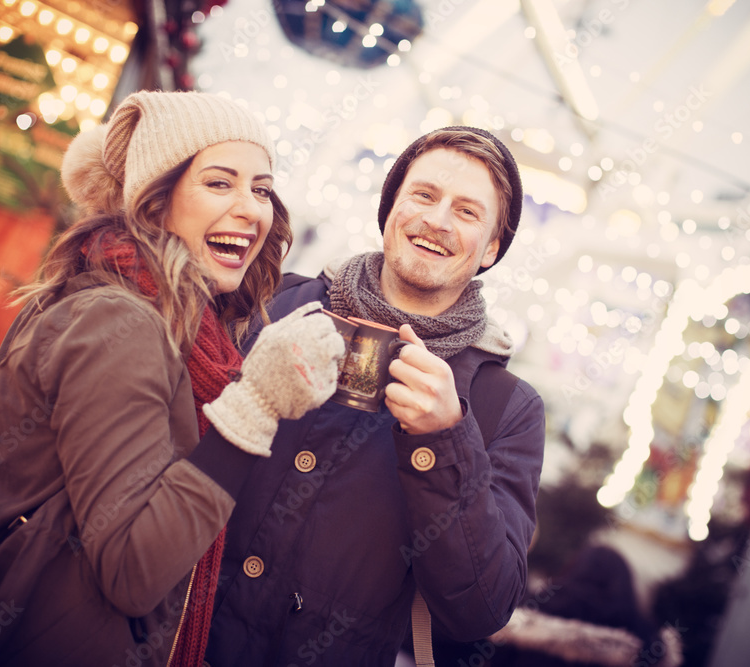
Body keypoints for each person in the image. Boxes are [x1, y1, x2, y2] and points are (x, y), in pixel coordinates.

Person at [0, 91, 345, 667]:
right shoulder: (119, 321)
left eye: (262, 188)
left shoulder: (171, 326)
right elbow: (131, 570)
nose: (252, 209)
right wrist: (256, 407)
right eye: (220, 183)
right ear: (154, 201)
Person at [205, 126, 547, 665]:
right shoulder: (270, 299)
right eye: (425, 195)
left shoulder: (504, 407)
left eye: (467, 212)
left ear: (491, 250)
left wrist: (446, 440)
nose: (437, 220)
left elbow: (481, 609)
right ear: (390, 208)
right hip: (174, 640)